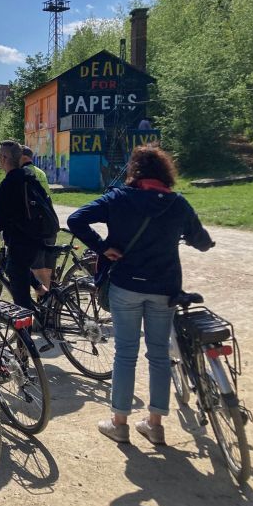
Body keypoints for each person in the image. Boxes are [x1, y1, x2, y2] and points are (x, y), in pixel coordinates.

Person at [68, 146, 213, 445]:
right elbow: (200, 241)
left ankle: (119, 423)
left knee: (126, 354)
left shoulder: (119, 198)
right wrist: (206, 243)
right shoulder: (178, 203)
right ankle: (155, 425)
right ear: (165, 173)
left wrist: (101, 246)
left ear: (135, 172)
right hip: (164, 288)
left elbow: (76, 219)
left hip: (126, 286)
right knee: (159, 354)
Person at [0, 140, 48, 311]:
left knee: (21, 302)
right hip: (38, 239)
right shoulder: (31, 179)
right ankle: (41, 289)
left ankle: (24, 336)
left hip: (20, 244)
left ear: (4, 158)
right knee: (16, 267)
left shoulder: (4, 187)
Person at [21, 145, 58, 293]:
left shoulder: (23, 173)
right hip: (50, 224)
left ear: (23, 157)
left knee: (37, 269)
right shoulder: (40, 173)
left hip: (37, 227)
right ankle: (47, 306)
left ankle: (44, 307)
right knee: (47, 269)